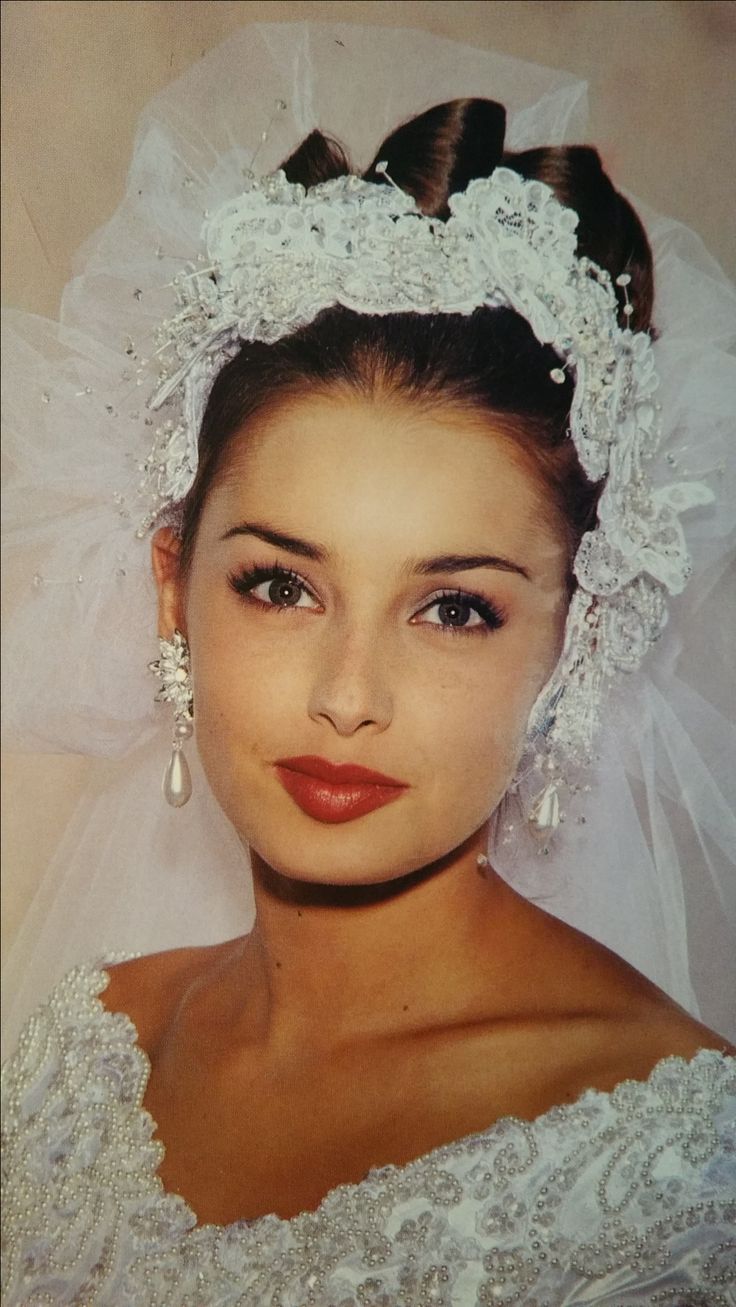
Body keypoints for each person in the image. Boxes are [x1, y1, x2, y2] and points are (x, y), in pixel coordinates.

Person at [2, 23, 735, 1307]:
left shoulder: (679, 1166)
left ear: (579, 637)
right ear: (173, 594)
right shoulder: (84, 1047)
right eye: (281, 585)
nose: (349, 694)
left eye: (453, 609)